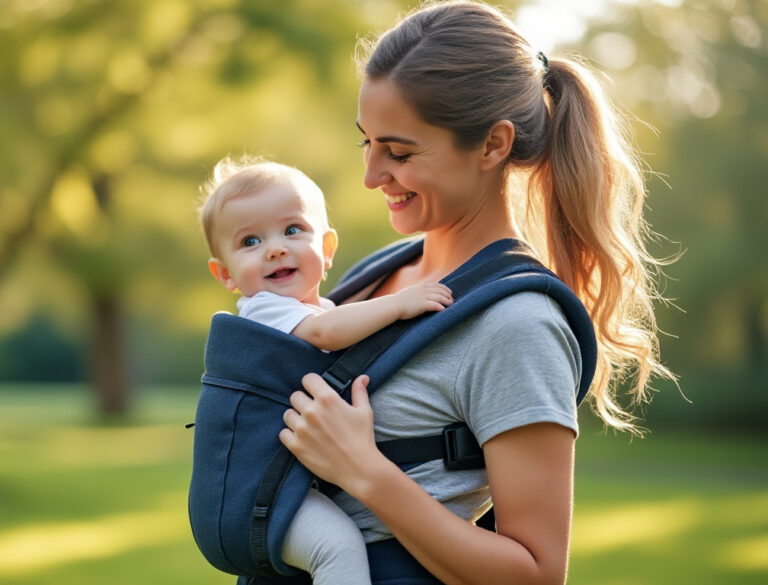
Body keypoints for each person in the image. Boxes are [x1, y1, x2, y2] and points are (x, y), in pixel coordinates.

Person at [276, 2, 675, 585]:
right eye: (367, 142)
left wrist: (367, 473)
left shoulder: (518, 325)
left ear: (492, 146)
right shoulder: (374, 275)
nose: (371, 175)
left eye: (401, 152)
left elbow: (537, 573)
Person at [199, 155, 454, 585]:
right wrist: (399, 303)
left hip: (283, 485)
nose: (276, 248)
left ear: (328, 248)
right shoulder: (265, 310)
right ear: (225, 275)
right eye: (250, 242)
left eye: (292, 230)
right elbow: (325, 335)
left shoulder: (321, 311)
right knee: (337, 547)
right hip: (251, 497)